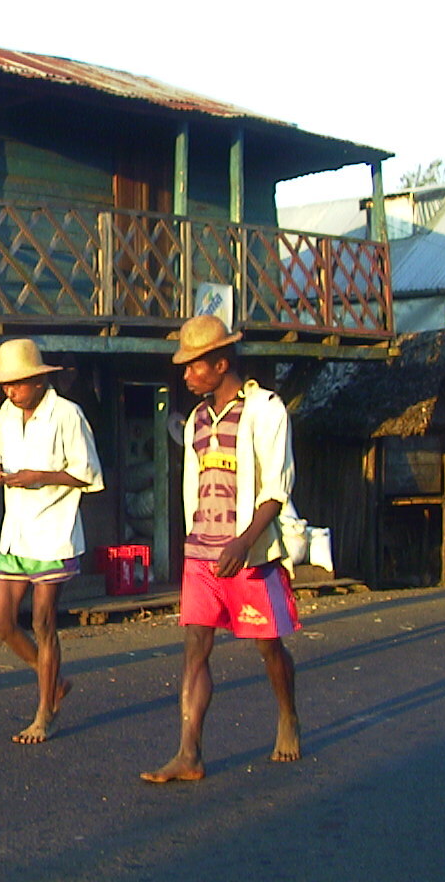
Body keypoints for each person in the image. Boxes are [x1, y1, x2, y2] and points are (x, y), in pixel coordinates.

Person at [141, 315, 302, 783]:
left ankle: (288, 714)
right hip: (202, 554)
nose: (187, 375)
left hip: (248, 552)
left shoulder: (266, 409)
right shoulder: (195, 421)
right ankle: (188, 753)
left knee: (268, 648)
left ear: (221, 363)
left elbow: (276, 488)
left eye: (194, 366)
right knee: (195, 649)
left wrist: (244, 540)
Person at [0, 338, 103, 744]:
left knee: (42, 621)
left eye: (16, 384)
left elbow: (87, 473)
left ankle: (43, 714)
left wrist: (39, 476)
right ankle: (52, 680)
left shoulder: (67, 414)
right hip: (16, 532)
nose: (10, 391)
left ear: (38, 381)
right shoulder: (7, 413)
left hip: (53, 531)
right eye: (6, 385)